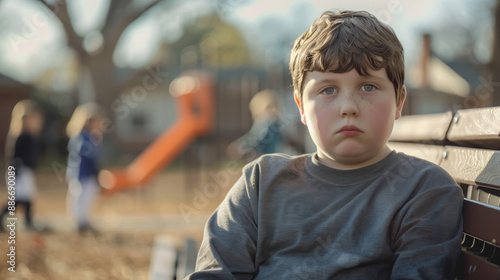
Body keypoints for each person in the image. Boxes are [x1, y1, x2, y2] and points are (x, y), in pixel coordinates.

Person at [187, 10, 463, 280]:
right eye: (328, 90)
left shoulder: (423, 190)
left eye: (368, 86)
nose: (348, 108)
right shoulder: (260, 183)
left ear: (399, 100)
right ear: (301, 107)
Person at [1, 100, 44, 231]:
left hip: (26, 171)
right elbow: (14, 157)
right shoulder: (20, 137)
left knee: (28, 197)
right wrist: (16, 171)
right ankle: (2, 216)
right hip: (18, 172)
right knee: (18, 199)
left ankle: (28, 220)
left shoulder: (31, 137)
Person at [65, 103, 103, 234]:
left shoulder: (90, 137)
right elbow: (86, 154)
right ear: (88, 122)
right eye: (97, 123)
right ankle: (79, 222)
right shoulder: (81, 137)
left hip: (87, 174)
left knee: (88, 196)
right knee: (80, 196)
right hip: (81, 174)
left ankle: (84, 220)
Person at [226, 89, 283, 160]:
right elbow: (256, 138)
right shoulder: (271, 122)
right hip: (272, 157)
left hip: (266, 158)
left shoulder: (266, 122)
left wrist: (240, 147)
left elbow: (255, 138)